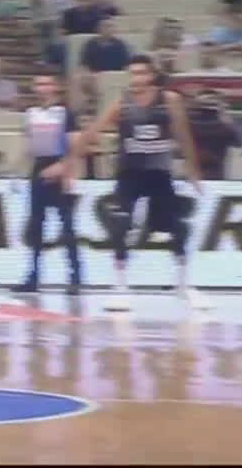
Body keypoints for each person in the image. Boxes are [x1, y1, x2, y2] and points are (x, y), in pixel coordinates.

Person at [78, 55, 207, 311]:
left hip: (159, 173)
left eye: (140, 73)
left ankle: (183, 286)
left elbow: (183, 136)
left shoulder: (169, 100)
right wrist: (73, 157)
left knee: (177, 227)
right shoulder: (122, 102)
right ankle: (120, 287)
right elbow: (94, 130)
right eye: (132, 73)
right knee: (119, 224)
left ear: (151, 75)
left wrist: (193, 171)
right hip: (129, 173)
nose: (136, 78)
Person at [13, 72, 82, 294]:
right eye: (39, 84)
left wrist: (66, 170)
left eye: (46, 83)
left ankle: (75, 277)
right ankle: (33, 277)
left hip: (60, 169)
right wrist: (17, 170)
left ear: (55, 87)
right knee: (36, 227)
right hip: (38, 170)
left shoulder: (65, 113)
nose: (42, 88)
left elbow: (76, 145)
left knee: (67, 227)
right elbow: (28, 146)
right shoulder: (31, 114)